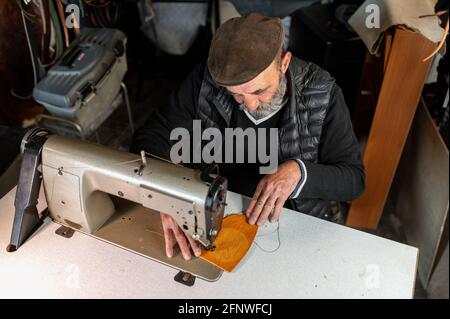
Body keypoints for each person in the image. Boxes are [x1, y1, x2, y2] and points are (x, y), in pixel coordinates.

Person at [131, 13, 365, 260]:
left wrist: (298, 172)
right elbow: (152, 136)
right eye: (237, 95)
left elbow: (354, 181)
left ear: (284, 63)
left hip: (294, 217)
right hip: (222, 207)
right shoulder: (207, 80)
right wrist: (167, 191)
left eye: (260, 91)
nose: (251, 105)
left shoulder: (322, 93)